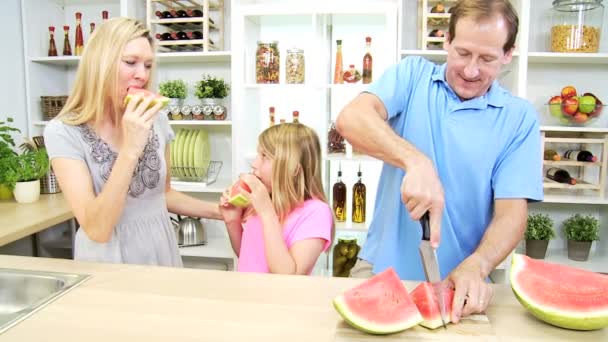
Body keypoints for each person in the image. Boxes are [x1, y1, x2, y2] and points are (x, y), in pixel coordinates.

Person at [336, 0, 542, 323]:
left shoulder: (519, 119)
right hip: (378, 272)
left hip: (463, 290)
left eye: (487, 58)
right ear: (446, 41)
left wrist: (479, 264)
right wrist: (416, 161)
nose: (471, 70)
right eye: (462, 53)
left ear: (507, 54)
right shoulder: (412, 76)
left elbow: (511, 215)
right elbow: (351, 119)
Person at [44, 18, 222, 267]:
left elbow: (163, 194)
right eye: (130, 63)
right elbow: (97, 229)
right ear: (99, 65)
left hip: (161, 248)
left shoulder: (157, 119)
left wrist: (220, 212)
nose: (142, 75)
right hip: (108, 259)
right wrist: (130, 148)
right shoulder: (63, 132)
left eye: (148, 65)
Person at [219, 123, 333, 275]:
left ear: (293, 169)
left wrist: (267, 213)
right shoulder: (263, 202)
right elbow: (250, 259)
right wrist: (232, 220)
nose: (254, 164)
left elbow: (288, 276)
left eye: (264, 156)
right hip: (247, 295)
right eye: (258, 155)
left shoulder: (316, 213)